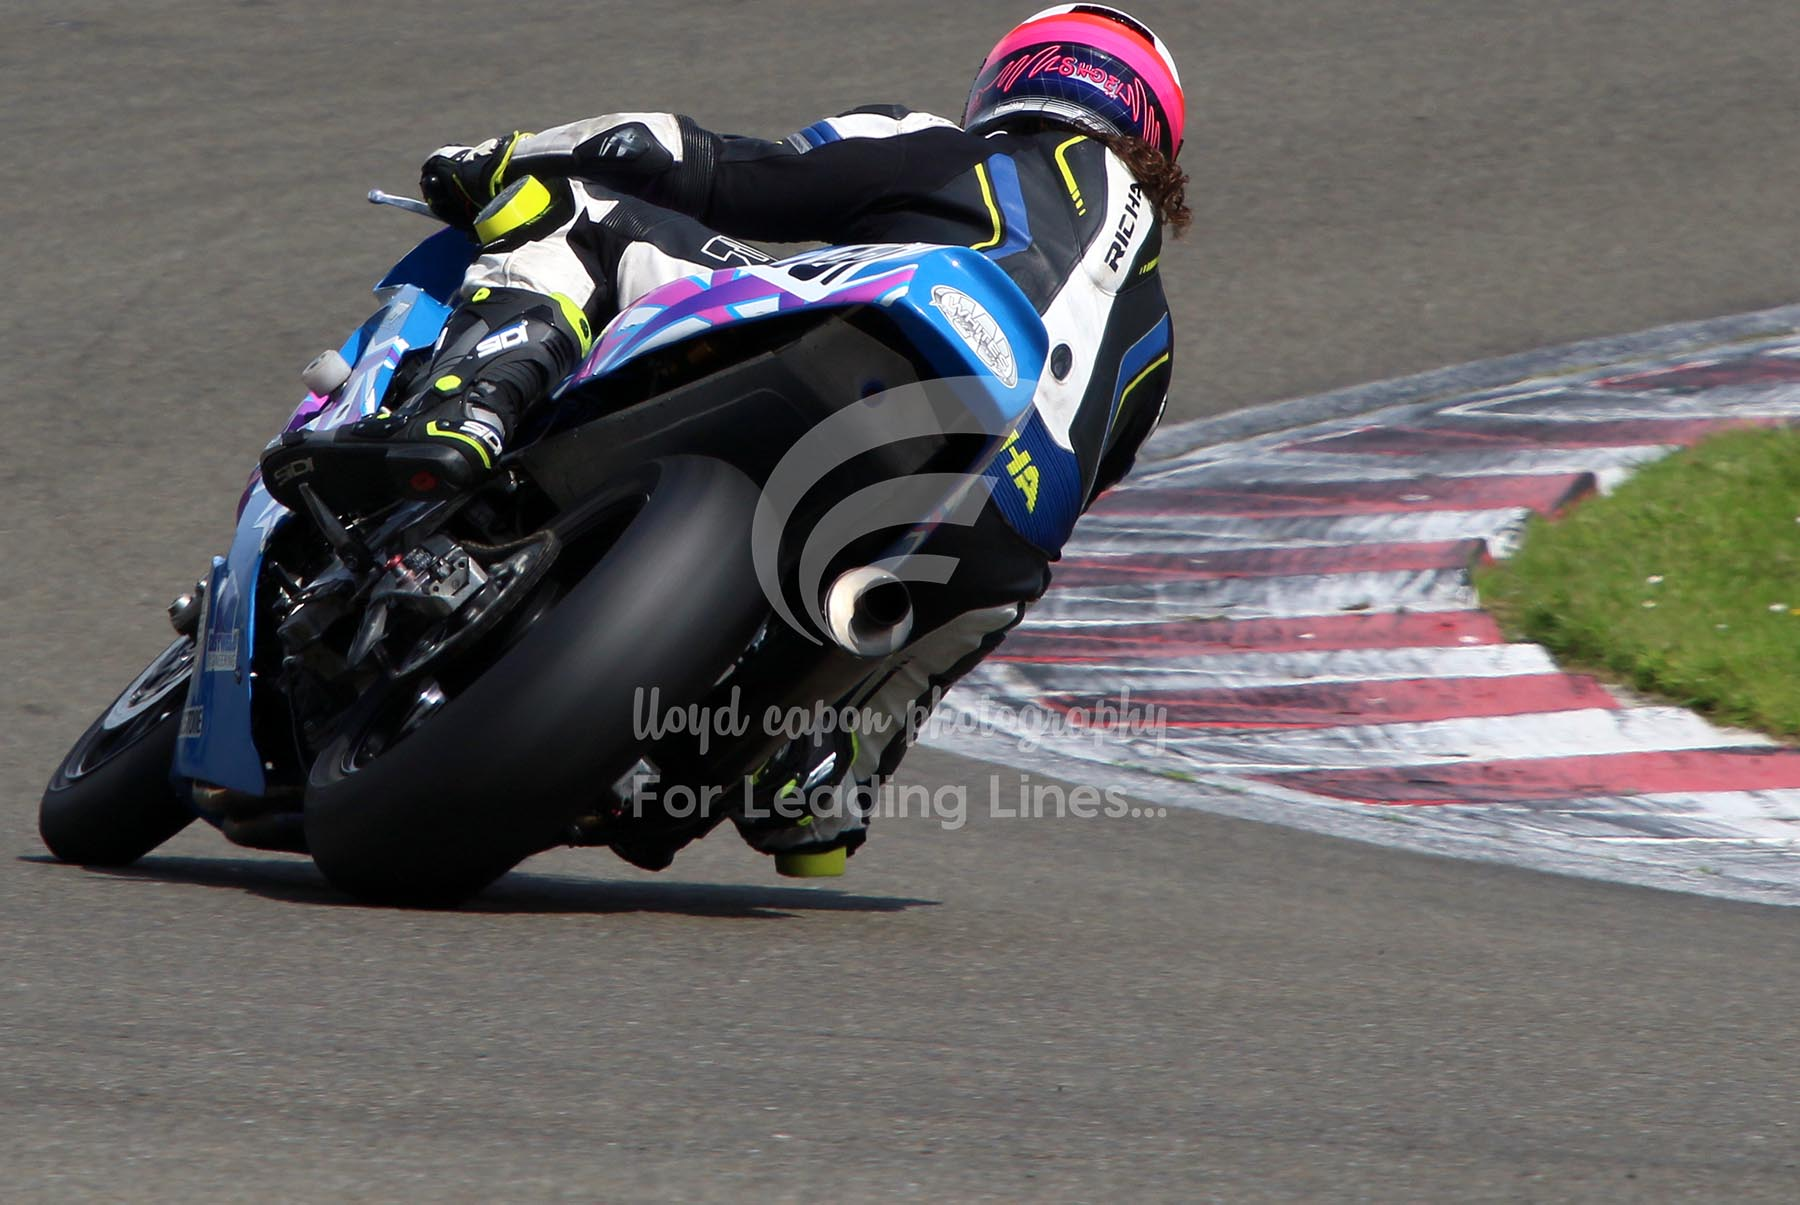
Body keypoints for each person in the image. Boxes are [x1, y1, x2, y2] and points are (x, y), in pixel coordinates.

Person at [262, 4, 1188, 875]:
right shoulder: (1155, 346)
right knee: (968, 604)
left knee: (577, 208)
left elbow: (718, 171)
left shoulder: (954, 149)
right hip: (994, 525)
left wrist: (501, 158)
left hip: (888, 341)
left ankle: (465, 414)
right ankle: (819, 777)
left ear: (1014, 77)